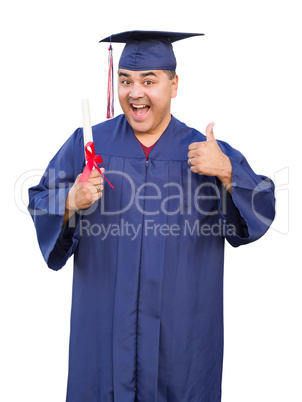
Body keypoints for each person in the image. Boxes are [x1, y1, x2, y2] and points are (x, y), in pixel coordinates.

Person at [28, 31, 275, 402]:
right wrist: (69, 201)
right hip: (104, 336)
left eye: (149, 80)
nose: (135, 92)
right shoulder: (89, 144)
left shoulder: (205, 152)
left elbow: (260, 210)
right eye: (125, 80)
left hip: (183, 341)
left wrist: (227, 172)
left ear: (174, 85)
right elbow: (39, 199)